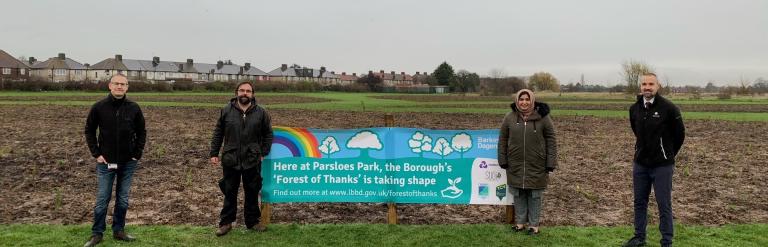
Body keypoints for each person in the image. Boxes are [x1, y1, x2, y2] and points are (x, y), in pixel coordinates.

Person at [83, 74, 146, 247]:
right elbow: (89, 130)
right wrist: (97, 154)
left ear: (127, 87)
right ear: (110, 86)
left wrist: (137, 153)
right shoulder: (99, 107)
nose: (119, 86)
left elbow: (142, 132)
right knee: (103, 198)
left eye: (123, 84)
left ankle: (119, 230)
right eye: (116, 83)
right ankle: (97, 233)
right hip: (106, 162)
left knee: (123, 198)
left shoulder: (134, 108)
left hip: (128, 162)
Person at [623, 73, 685, 247]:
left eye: (651, 84)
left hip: (662, 166)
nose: (647, 87)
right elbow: (636, 131)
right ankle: (639, 237)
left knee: (663, 203)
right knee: (639, 202)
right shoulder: (634, 108)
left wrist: (668, 154)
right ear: (640, 87)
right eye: (644, 84)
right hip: (640, 164)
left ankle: (666, 241)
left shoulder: (669, 108)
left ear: (658, 86)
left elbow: (679, 135)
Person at [210, 81, 273, 236]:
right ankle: (226, 223)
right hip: (231, 158)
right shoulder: (226, 111)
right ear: (236, 92)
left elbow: (268, 134)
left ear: (253, 94)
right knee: (229, 191)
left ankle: (252, 222)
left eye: (248, 91)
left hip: (252, 159)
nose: (245, 93)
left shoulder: (261, 112)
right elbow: (218, 133)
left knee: (252, 191)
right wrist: (214, 153)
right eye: (242, 90)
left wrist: (263, 152)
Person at [498, 89, 557, 236]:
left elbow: (551, 140)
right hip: (515, 164)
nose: (524, 102)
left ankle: (534, 226)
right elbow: (503, 140)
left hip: (537, 164)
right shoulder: (509, 117)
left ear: (532, 100)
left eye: (527, 99)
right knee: (518, 194)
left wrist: (550, 162)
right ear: (517, 101)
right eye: (521, 99)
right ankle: (519, 223)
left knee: (535, 195)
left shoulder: (543, 118)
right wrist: (503, 159)